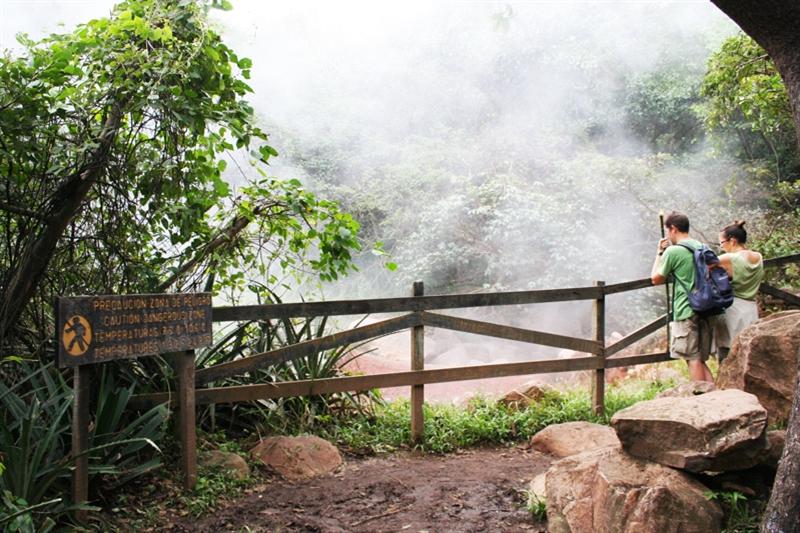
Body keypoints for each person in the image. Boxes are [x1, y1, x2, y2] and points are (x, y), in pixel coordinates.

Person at [650, 211, 715, 382]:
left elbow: (656, 278)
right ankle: (714, 397)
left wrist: (659, 253)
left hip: (686, 309)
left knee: (691, 358)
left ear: (673, 229)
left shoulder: (673, 252)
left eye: (668, 231)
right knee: (699, 358)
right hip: (707, 306)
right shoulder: (702, 247)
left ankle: (701, 397)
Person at [714, 220, 764, 363]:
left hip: (732, 310)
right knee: (749, 353)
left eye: (722, 243)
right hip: (750, 309)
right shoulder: (758, 257)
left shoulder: (729, 258)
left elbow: (702, 265)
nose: (721, 247)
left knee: (728, 355)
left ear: (733, 241)